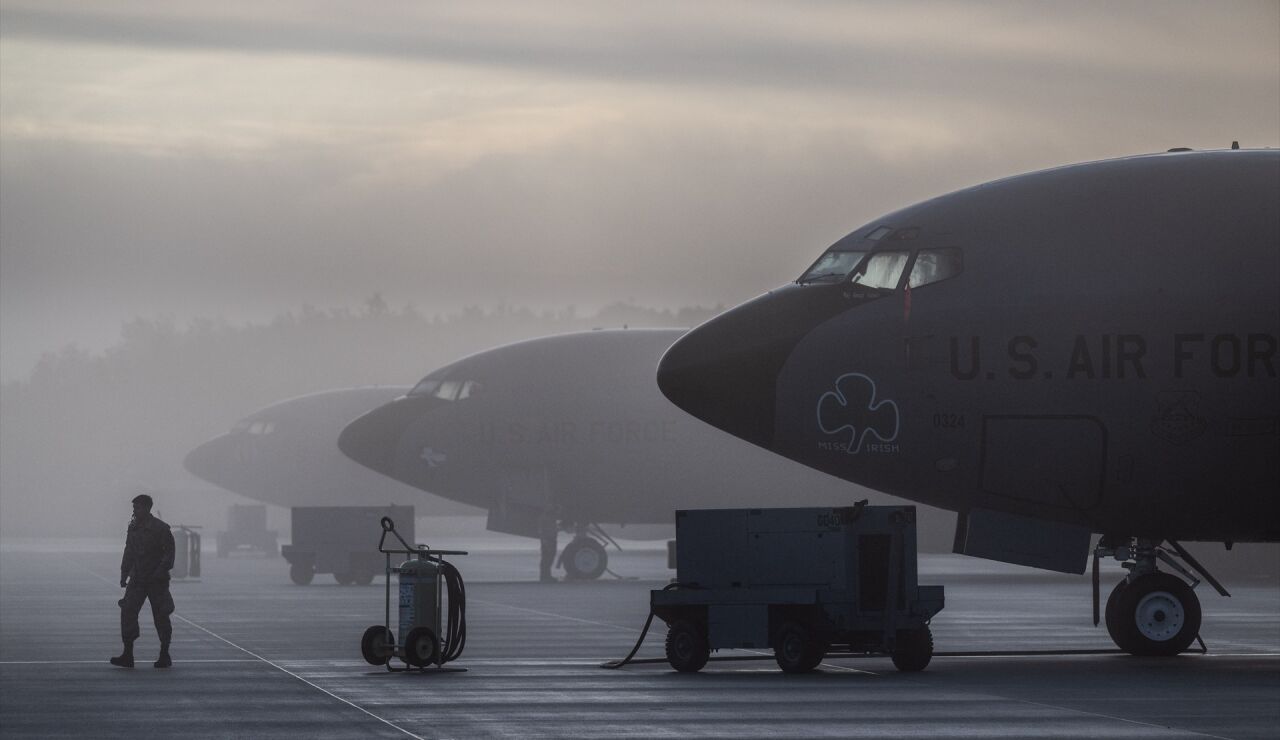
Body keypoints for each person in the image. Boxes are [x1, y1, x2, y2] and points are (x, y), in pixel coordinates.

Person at [111, 493, 176, 668]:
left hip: (156, 581)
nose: (134, 511)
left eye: (137, 508)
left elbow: (170, 554)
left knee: (161, 615)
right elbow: (129, 551)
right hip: (138, 579)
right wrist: (124, 573)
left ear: (147, 508)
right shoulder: (134, 527)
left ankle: (164, 654)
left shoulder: (160, 528)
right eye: (134, 508)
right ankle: (128, 654)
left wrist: (159, 572)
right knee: (128, 612)